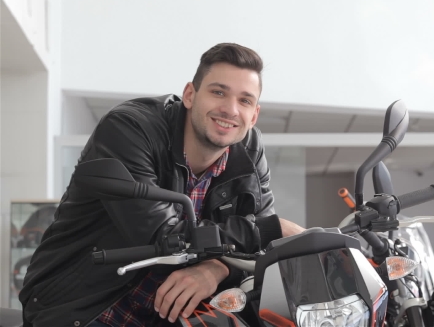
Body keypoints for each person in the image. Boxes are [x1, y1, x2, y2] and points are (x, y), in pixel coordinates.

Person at [19, 43, 305, 327]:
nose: (230, 109)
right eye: (218, 92)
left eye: (244, 100)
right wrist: (270, 229)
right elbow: (161, 237)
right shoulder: (131, 128)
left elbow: (258, 255)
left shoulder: (250, 153)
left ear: (254, 115)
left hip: (171, 316)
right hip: (84, 307)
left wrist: (217, 268)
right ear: (190, 95)